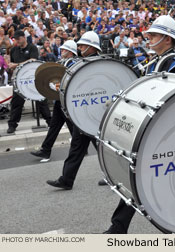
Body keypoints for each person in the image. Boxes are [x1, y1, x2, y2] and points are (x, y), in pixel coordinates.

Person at [104, 15, 175, 234]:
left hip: (167, 134)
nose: (149, 38)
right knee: (138, 179)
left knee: (164, 184)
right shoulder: (158, 61)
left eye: (154, 35)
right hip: (153, 129)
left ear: (167, 39)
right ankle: (118, 226)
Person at [46, 32, 102, 190]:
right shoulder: (82, 62)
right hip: (84, 113)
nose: (80, 47)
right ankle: (66, 179)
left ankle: (115, 175)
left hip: (97, 115)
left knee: (102, 147)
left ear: (91, 47)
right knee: (77, 146)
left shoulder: (99, 64)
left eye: (83, 45)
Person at [30, 40, 77, 161]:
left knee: (70, 127)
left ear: (71, 52)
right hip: (59, 100)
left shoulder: (73, 63)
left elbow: (69, 81)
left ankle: (81, 147)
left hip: (65, 101)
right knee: (56, 127)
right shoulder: (63, 61)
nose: (61, 51)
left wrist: (57, 86)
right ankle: (45, 150)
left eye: (64, 50)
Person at [7, 30, 51, 134]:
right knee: (16, 103)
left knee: (41, 101)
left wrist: (16, 65)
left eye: (18, 39)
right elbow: (12, 63)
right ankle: (12, 124)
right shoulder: (13, 50)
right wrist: (11, 66)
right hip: (20, 80)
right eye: (15, 39)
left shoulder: (32, 48)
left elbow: (32, 61)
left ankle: (50, 121)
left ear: (24, 37)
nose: (17, 41)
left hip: (33, 78)